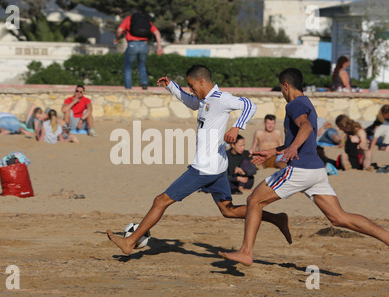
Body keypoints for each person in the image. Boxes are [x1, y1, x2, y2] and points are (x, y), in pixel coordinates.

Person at [107, 64, 292, 255]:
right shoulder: (204, 100)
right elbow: (190, 101)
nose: (190, 90)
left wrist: (237, 127)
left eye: (191, 85)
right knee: (228, 210)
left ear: (202, 81)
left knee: (160, 201)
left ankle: (130, 242)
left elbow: (249, 105)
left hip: (204, 168)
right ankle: (277, 219)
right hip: (218, 167)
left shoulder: (221, 99)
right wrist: (171, 86)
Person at [218, 68, 389, 267]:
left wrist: (293, 148)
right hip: (316, 170)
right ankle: (386, 237)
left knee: (254, 200)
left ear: (286, 85)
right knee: (339, 218)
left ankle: (246, 252)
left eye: (281, 89)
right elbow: (302, 134)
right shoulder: (306, 102)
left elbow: (306, 127)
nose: (282, 93)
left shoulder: (294, 104)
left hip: (300, 170)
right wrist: (275, 151)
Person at [114, 10, 163, 90]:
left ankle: (128, 88)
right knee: (142, 65)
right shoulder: (145, 21)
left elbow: (119, 30)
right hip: (144, 45)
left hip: (132, 44)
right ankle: (144, 84)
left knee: (127, 67)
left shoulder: (129, 19)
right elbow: (157, 32)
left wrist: (116, 38)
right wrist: (159, 47)